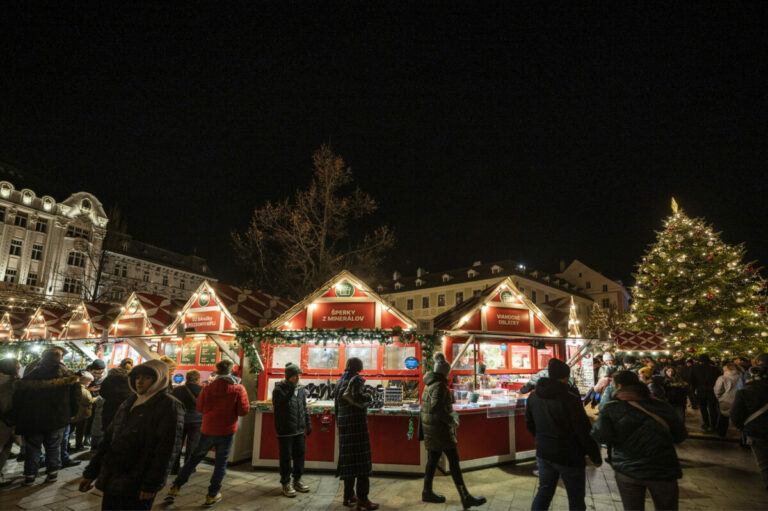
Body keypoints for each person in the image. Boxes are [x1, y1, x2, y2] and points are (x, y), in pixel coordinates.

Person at [80, 359, 183, 510]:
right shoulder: (130, 401)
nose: (139, 382)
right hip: (114, 476)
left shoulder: (169, 405)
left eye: (146, 377)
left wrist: (151, 484)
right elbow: (109, 440)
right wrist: (92, 472)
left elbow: (166, 449)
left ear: (159, 379)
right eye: (137, 377)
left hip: (138, 480)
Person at [591, 371, 687, 510]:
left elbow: (599, 435)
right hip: (663, 469)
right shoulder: (662, 406)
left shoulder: (611, 408)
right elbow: (680, 436)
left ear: (618, 386)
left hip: (628, 469)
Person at [165, 359, 250, 507]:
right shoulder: (239, 389)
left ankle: (175, 488)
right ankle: (212, 495)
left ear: (217, 371)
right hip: (227, 430)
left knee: (193, 459)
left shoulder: (207, 388)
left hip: (208, 429)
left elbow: (200, 408)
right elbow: (243, 411)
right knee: (220, 463)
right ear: (230, 370)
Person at [526, 358, 601, 511]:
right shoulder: (570, 398)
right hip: (569, 455)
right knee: (576, 498)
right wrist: (595, 456)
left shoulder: (533, 396)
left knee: (544, 491)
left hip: (544, 452)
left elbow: (529, 424)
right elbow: (583, 430)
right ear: (566, 377)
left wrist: (542, 439)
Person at [420, 353, 486, 508]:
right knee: (454, 462)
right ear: (445, 372)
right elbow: (437, 408)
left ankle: (427, 492)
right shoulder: (440, 386)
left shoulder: (429, 384)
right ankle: (465, 496)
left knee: (433, 460)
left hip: (432, 430)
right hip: (441, 431)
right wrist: (452, 420)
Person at [334, 357, 378, 510]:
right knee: (362, 465)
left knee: (349, 463)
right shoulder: (357, 379)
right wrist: (369, 394)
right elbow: (359, 397)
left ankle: (348, 496)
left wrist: (338, 424)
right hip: (357, 426)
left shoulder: (340, 381)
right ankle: (363, 498)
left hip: (345, 426)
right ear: (359, 366)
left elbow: (337, 406)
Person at [273, 362, 311, 498]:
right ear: (288, 376)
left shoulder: (300, 390)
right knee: (285, 458)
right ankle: (285, 483)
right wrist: (290, 390)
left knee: (300, 455)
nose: (297, 378)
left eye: (298, 376)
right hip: (285, 430)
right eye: (295, 376)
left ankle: (297, 480)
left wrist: (308, 423)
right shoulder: (278, 389)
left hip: (299, 429)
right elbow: (280, 404)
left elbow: (304, 407)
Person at [730, 361, 768, 490]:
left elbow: (735, 414)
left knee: (764, 465)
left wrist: (744, 428)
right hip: (757, 430)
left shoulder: (747, 390)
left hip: (757, 431)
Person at [170, 369, 204, 474]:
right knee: (192, 445)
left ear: (186, 378)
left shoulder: (177, 390)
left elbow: (172, 404)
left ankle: (174, 467)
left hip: (180, 419)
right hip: (197, 420)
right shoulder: (204, 390)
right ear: (198, 379)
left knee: (178, 444)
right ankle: (188, 468)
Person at [61, 371, 95, 468]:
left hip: (78, 414)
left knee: (72, 430)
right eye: (89, 381)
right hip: (81, 414)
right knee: (79, 430)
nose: (90, 383)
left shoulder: (81, 388)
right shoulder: (82, 389)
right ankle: (77, 446)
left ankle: (70, 446)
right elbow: (88, 400)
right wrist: (96, 398)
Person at [99, 358, 134, 431]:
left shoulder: (111, 376)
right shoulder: (132, 378)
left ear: (121, 363)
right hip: (125, 409)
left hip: (109, 407)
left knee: (107, 431)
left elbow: (102, 392)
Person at [0, 358, 20, 487]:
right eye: (18, 367)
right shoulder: (13, 383)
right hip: (6, 422)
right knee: (5, 448)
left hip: (6, 421)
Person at [690, 354, 723, 432]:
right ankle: (713, 425)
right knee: (712, 409)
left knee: (703, 408)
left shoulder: (695, 369)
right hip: (712, 391)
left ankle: (706, 423)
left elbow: (692, 381)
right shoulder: (715, 369)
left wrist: (693, 391)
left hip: (701, 391)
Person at [714, 363, 741, 437]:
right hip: (739, 400)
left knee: (723, 417)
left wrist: (720, 398)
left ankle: (721, 433)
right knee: (739, 417)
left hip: (725, 400)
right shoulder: (741, 376)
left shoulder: (722, 378)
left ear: (728, 369)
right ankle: (742, 437)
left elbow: (717, 390)